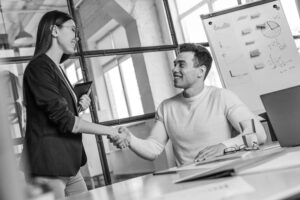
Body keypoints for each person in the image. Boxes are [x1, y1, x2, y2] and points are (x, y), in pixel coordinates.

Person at [111, 43, 267, 166]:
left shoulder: (223, 97)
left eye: (181, 65)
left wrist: (223, 146)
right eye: (175, 64)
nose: (174, 69)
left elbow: (258, 134)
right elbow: (153, 148)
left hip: (224, 173)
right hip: (187, 181)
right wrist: (130, 139)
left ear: (200, 71)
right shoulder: (166, 107)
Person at [20, 10, 119, 198]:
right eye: (73, 30)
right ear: (54, 31)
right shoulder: (39, 67)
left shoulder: (56, 67)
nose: (77, 37)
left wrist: (78, 106)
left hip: (67, 165)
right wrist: (111, 131)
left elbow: (56, 113)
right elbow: (66, 121)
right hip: (48, 167)